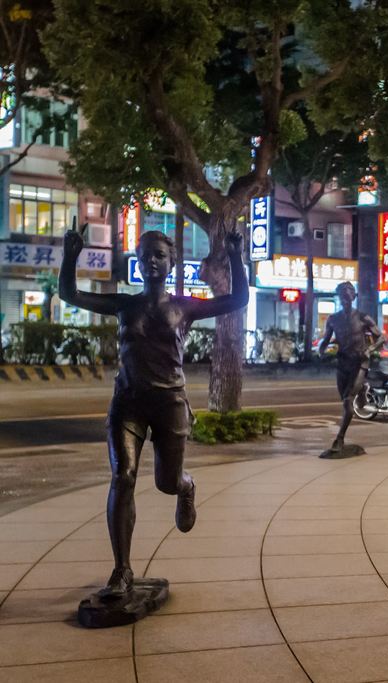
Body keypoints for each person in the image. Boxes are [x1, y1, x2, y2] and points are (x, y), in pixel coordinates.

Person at [59, 223, 248, 600]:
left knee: (166, 482)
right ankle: (122, 570)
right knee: (123, 476)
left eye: (159, 256)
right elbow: (70, 294)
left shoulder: (185, 306)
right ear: (138, 262)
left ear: (171, 262)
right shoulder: (125, 305)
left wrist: (235, 256)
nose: (151, 262)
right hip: (127, 403)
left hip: (169, 403)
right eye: (144, 256)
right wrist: (70, 256)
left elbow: (238, 299)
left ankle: (186, 486)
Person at [318, 282, 383, 458]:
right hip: (343, 363)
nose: (345, 298)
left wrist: (369, 350)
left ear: (353, 297)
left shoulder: (363, 318)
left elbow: (380, 338)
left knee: (348, 400)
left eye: (348, 295)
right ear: (339, 298)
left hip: (359, 363)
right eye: (342, 295)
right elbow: (326, 340)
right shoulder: (333, 319)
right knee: (344, 399)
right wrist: (321, 351)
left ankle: (339, 439)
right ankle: (362, 389)